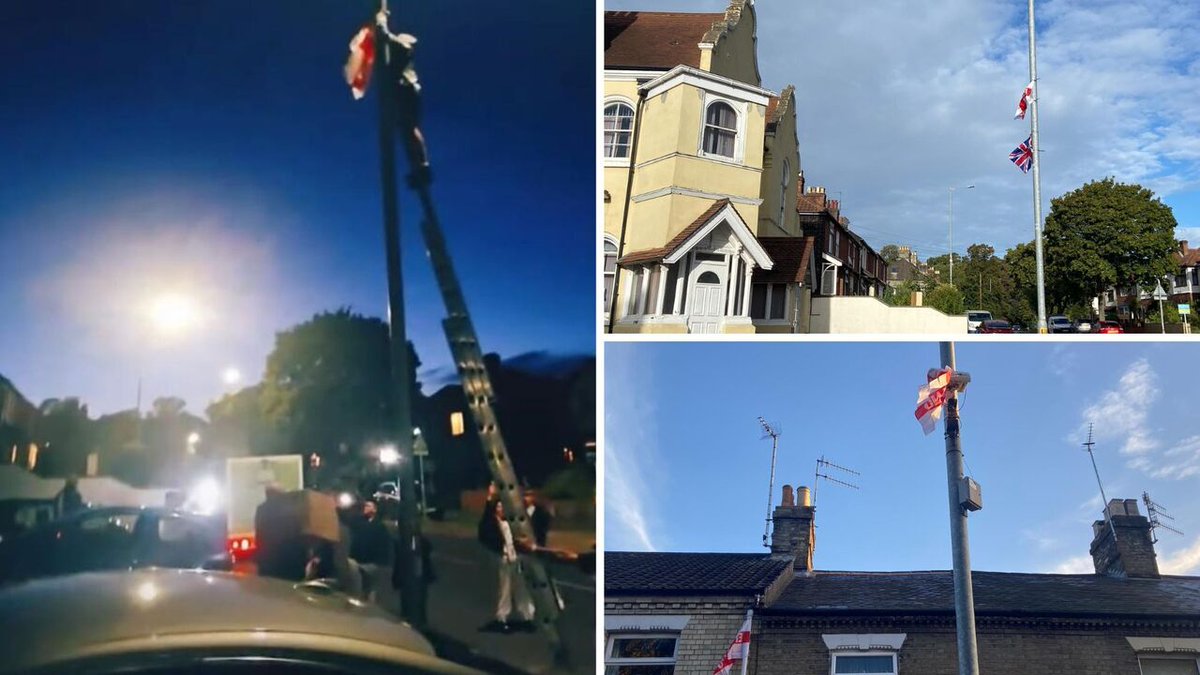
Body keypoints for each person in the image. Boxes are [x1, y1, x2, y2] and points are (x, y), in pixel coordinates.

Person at [376, 9, 431, 186]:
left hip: (406, 90)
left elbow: (384, 35)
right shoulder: (399, 53)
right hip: (404, 91)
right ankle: (418, 167)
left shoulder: (403, 48)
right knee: (407, 130)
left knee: (410, 128)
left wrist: (381, 19)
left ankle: (422, 166)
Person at [477, 499, 535, 633]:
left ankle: (528, 616)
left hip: (518, 559)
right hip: (505, 559)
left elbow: (528, 515)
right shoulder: (493, 523)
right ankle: (502, 618)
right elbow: (485, 532)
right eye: (498, 507)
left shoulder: (512, 522)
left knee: (522, 588)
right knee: (505, 590)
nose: (501, 509)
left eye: (502, 506)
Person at [351, 500, 394, 605]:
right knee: (359, 587)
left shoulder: (379, 526)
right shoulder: (358, 523)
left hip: (372, 563)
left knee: (370, 588)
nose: (366, 508)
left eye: (369, 506)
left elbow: (384, 545)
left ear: (375, 509)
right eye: (365, 505)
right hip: (358, 561)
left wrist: (381, 561)